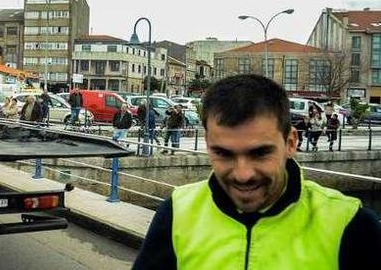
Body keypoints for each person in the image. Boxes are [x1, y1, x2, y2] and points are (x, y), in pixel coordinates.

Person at [133, 74, 381, 269]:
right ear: (208, 146)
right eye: (224, 153)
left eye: (260, 153)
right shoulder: (177, 212)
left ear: (291, 142)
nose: (243, 174)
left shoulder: (351, 226)